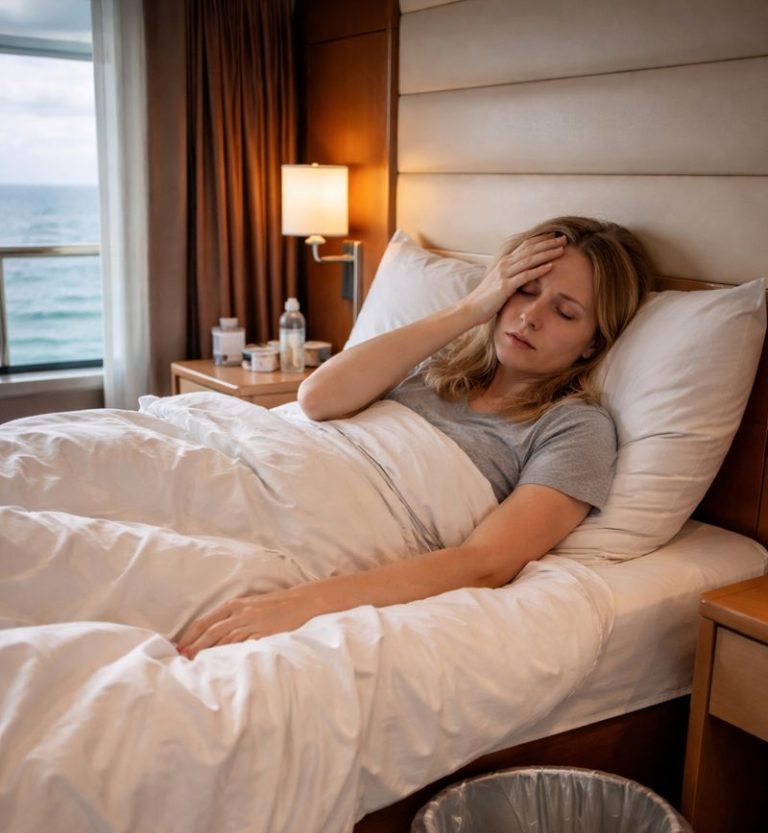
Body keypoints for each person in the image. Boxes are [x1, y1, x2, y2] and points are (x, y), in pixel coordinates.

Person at [177, 216, 654, 657]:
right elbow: (317, 399)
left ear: (593, 342)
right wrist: (470, 308)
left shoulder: (575, 427)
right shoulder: (440, 366)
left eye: (565, 312)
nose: (530, 316)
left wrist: (303, 603)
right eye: (524, 290)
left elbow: (485, 562)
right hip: (265, 473)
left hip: (317, 527)